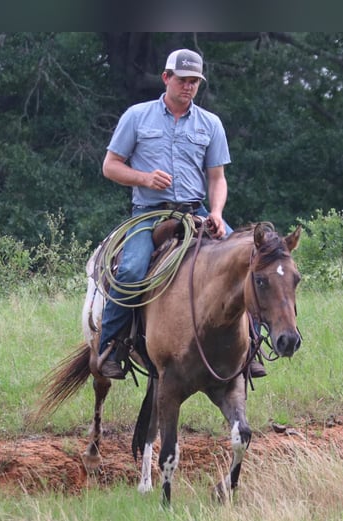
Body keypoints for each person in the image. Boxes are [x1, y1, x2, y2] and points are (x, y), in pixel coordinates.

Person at [97, 48, 265, 380]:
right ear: (166, 78)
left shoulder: (210, 123)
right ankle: (111, 346)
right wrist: (144, 178)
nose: (188, 87)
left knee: (250, 260)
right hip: (148, 213)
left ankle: (253, 347)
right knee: (130, 270)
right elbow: (110, 167)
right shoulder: (137, 116)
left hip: (197, 211)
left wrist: (216, 212)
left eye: (194, 82)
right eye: (183, 80)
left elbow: (217, 178)